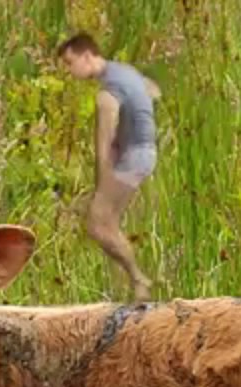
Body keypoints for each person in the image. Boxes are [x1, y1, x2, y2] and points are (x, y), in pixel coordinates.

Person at [57, 32, 161, 302]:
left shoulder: (108, 91)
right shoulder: (124, 71)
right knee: (109, 223)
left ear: (87, 56)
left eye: (70, 63)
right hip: (145, 151)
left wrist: (102, 176)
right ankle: (128, 288)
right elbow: (153, 90)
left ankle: (139, 280)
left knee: (97, 222)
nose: (70, 71)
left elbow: (104, 137)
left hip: (134, 156)